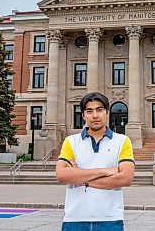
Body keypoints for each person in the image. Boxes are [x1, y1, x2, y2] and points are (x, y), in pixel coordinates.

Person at [56, 92, 135, 231]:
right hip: (74, 219)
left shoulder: (122, 141)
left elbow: (126, 178)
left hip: (110, 220)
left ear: (107, 112)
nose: (95, 115)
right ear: (83, 115)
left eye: (99, 110)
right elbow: (61, 175)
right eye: (89, 111)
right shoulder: (71, 141)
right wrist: (104, 171)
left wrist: (79, 176)